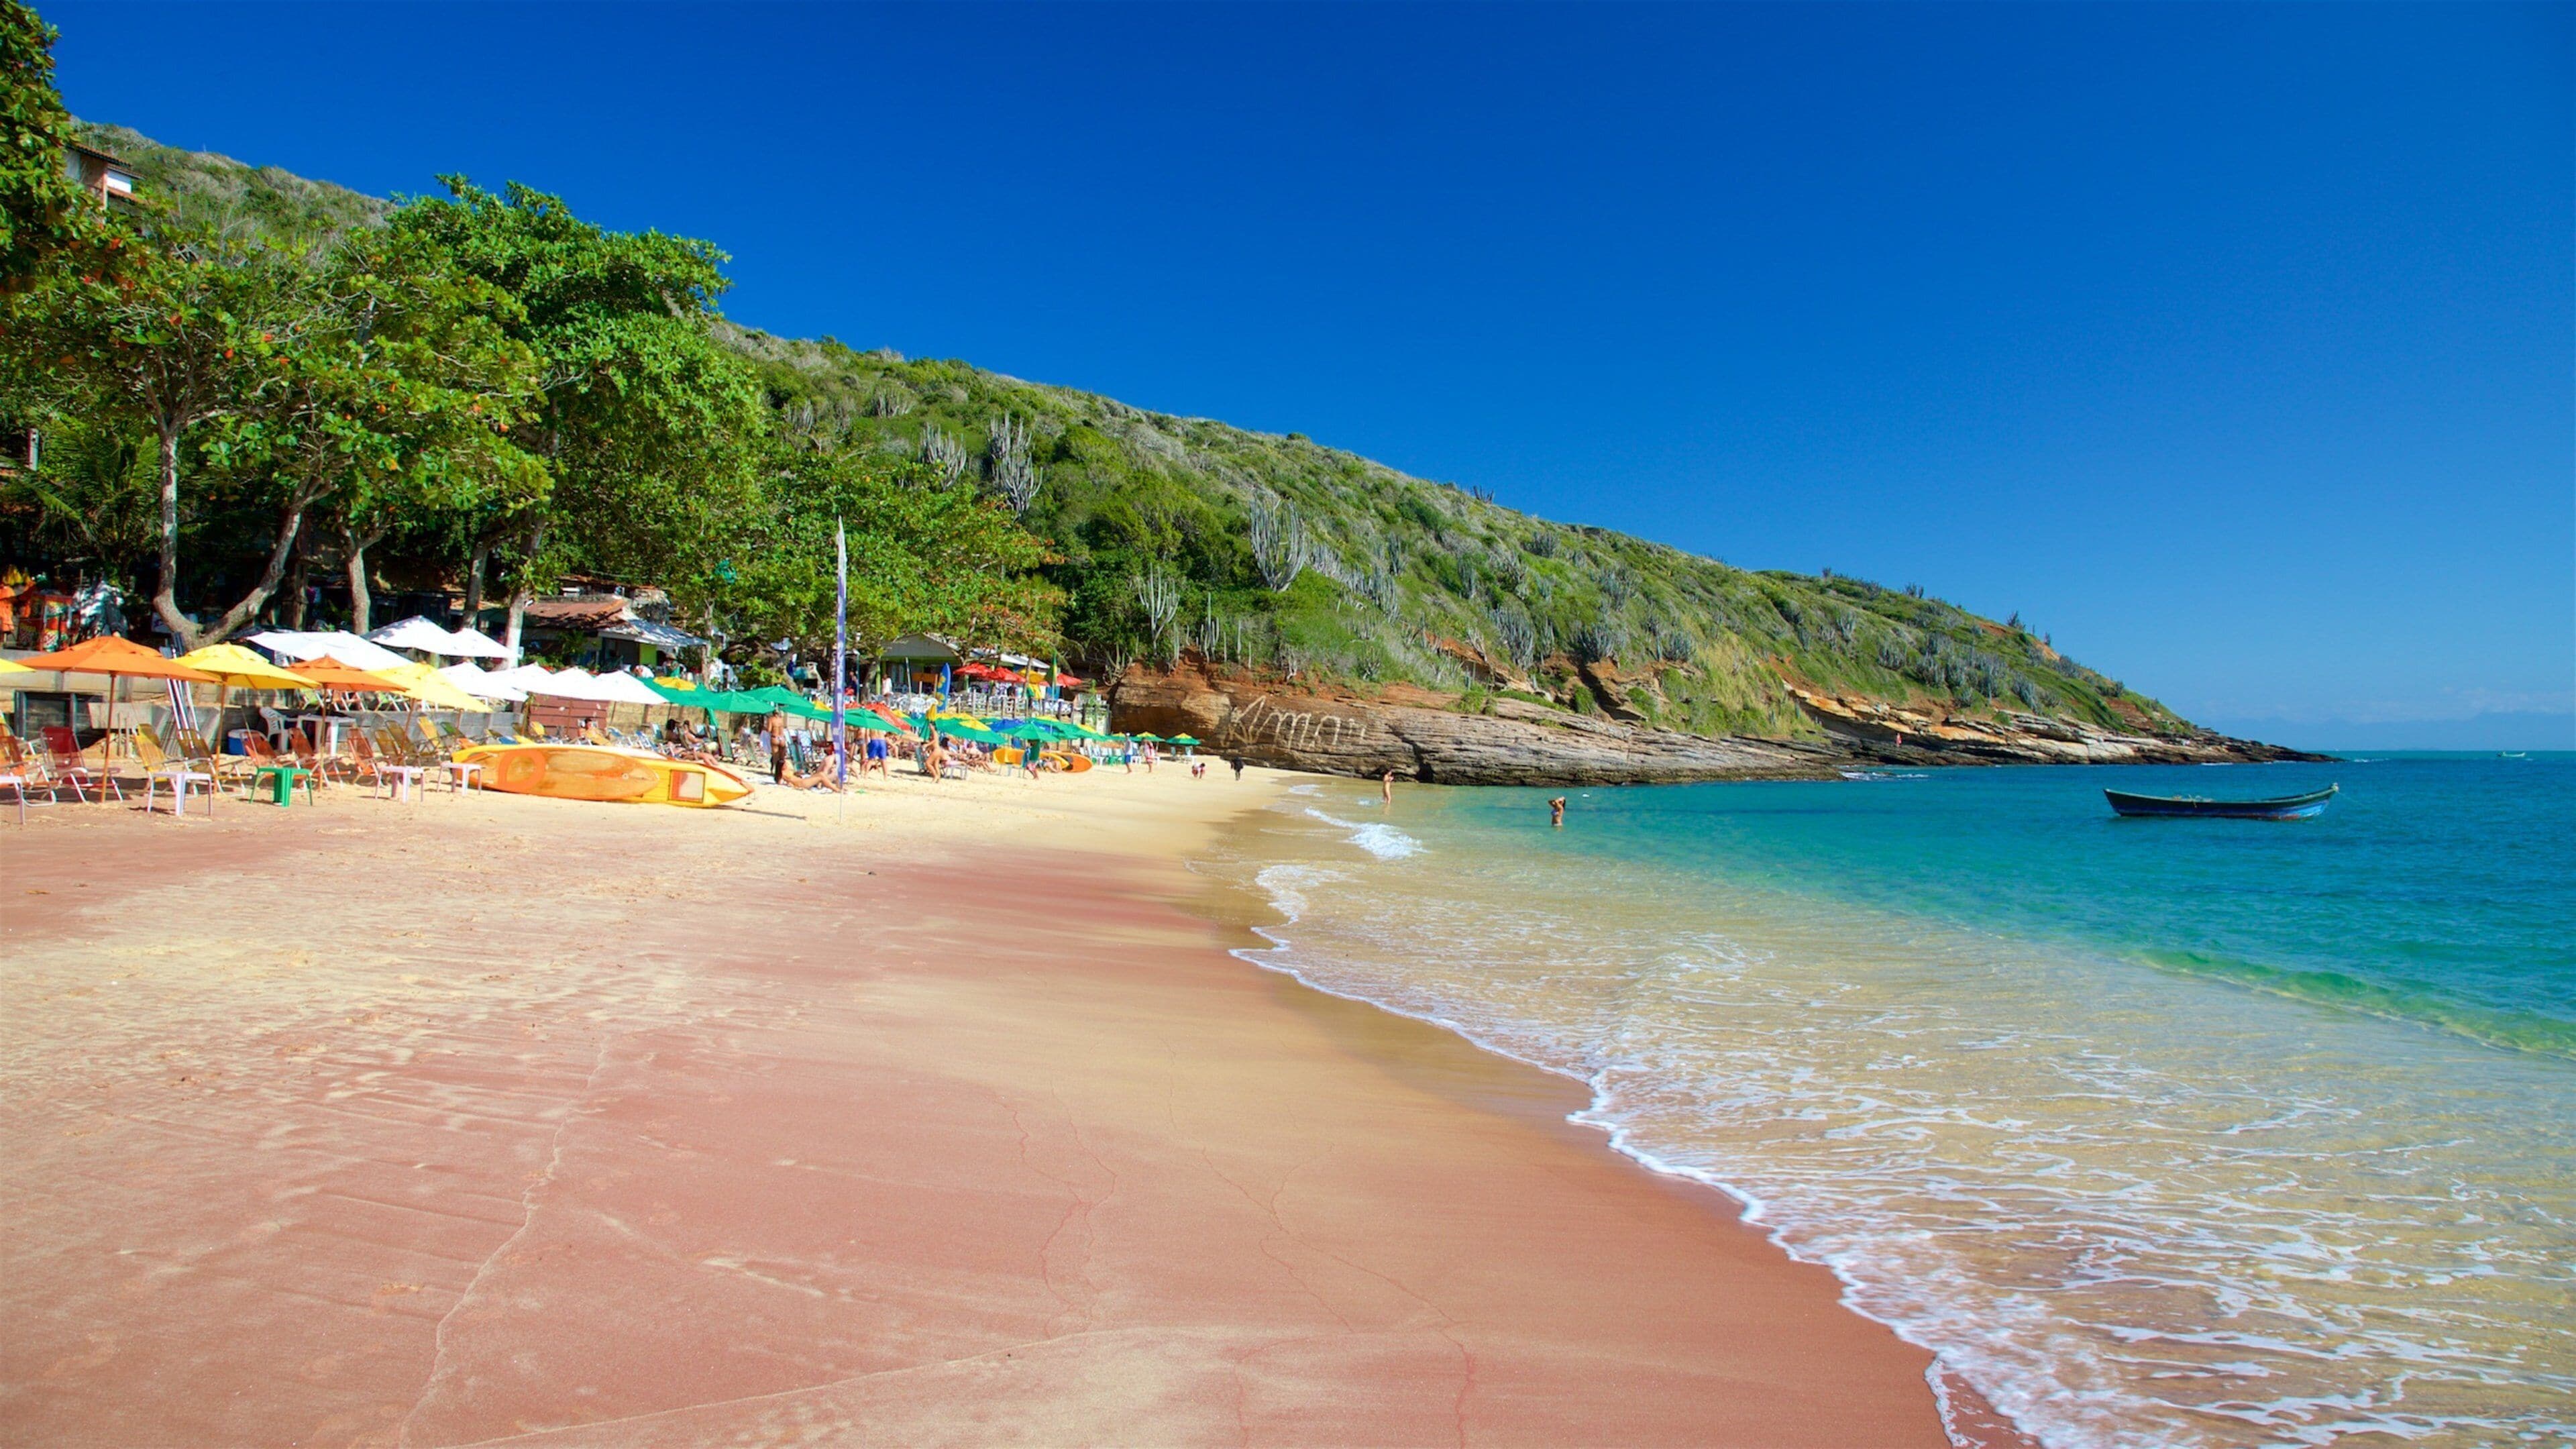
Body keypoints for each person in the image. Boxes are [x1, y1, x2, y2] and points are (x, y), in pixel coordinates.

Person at [763, 709, 790, 784]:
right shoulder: (781, 720)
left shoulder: (771, 719)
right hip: (782, 738)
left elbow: (769, 730)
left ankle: (776, 773)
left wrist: (764, 728)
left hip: (775, 738)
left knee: (775, 756)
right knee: (782, 757)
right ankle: (782, 772)